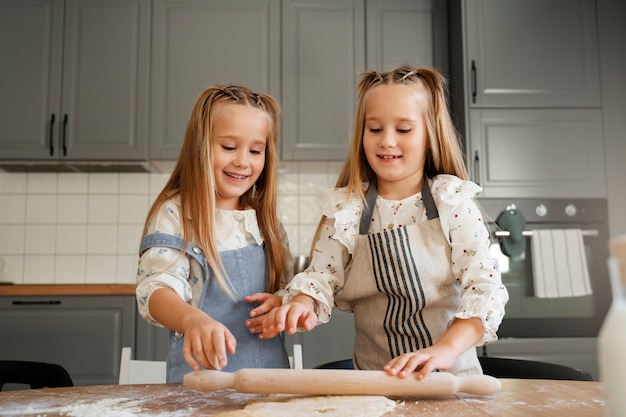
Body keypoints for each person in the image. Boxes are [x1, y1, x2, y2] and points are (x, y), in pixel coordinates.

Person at [254, 65, 508, 380]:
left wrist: (445, 349)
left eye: (403, 130)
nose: (387, 141)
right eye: (375, 129)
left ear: (430, 134)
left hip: (451, 379)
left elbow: (484, 286)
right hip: (374, 384)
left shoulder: (451, 202)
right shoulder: (348, 208)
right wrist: (303, 302)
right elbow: (322, 275)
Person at [136, 84, 293, 383]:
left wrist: (282, 302)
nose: (243, 161)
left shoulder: (264, 221)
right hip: (200, 391)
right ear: (200, 145)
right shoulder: (176, 215)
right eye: (229, 147)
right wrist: (192, 320)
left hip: (271, 386)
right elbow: (155, 291)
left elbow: (288, 288)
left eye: (255, 150)